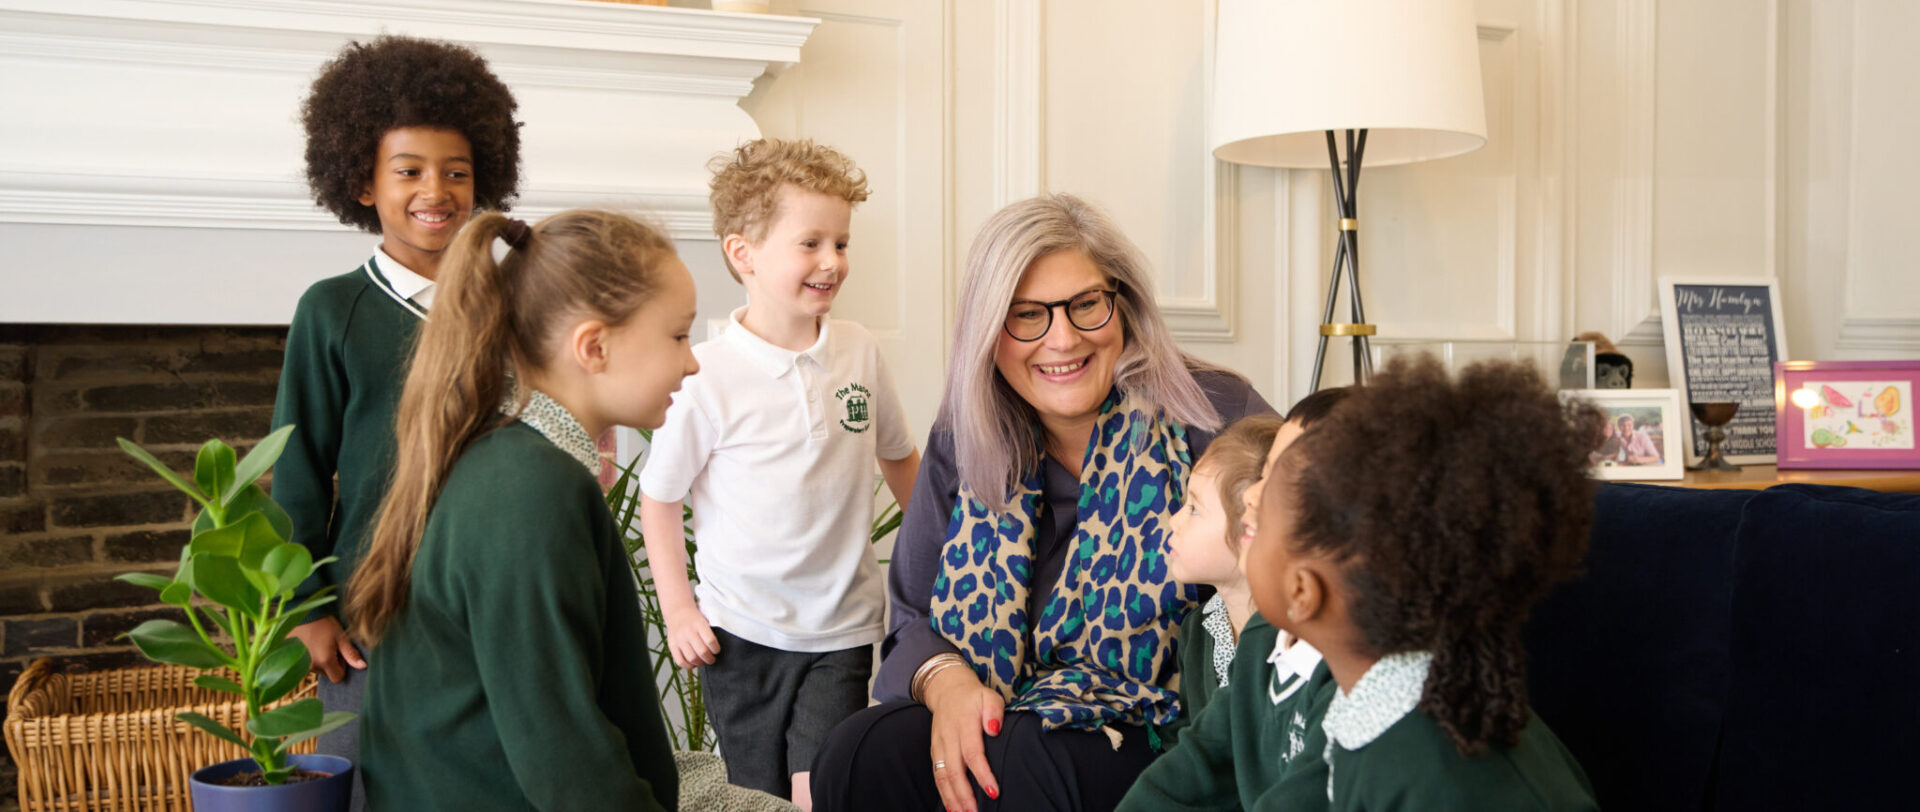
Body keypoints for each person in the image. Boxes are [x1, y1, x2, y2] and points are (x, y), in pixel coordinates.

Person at [811, 193, 1275, 812]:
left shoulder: (1214, 413)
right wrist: (946, 682)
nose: (1062, 340)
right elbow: (913, 615)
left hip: (1166, 724)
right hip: (1006, 710)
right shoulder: (965, 435)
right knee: (856, 749)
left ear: (1123, 305)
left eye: (1086, 305)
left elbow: (1303, 574)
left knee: (1033, 749)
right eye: (1027, 315)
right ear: (988, 334)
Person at [346, 211, 691, 810]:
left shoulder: (509, 462)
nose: (692, 362)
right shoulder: (530, 491)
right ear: (594, 346)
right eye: (679, 336)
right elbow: (565, 761)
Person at [271, 36, 521, 801]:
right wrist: (305, 612)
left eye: (456, 172)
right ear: (361, 183)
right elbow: (298, 473)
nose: (434, 190)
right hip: (365, 614)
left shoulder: (511, 305)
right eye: (408, 171)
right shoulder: (331, 309)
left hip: (488, 596)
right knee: (366, 786)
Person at [638, 138, 920, 809]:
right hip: (741, 633)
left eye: (841, 243)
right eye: (811, 243)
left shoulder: (859, 351)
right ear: (744, 254)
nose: (833, 262)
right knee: (755, 793)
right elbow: (659, 498)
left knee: (821, 787)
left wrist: (940, 561)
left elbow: (901, 458)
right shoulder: (705, 374)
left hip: (845, 626)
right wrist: (679, 608)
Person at [1248, 356, 1601, 811]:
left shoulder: (1425, 766)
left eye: (1262, 523)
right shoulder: (1390, 708)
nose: (1249, 504)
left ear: (1302, 592)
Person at [1117, 386, 1352, 812]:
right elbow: (1197, 758)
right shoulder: (1261, 638)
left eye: (1282, 477)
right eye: (1264, 475)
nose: (1253, 497)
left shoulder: (1350, 674)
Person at [1164, 413, 1283, 724]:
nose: (1174, 521)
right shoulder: (1196, 630)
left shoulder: (1288, 643)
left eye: (1194, 509)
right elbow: (1187, 739)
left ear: (1251, 530)